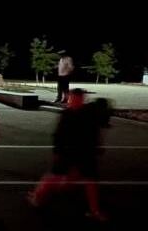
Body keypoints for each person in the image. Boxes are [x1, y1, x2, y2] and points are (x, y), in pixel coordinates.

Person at [29, 89, 108, 221]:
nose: (73, 102)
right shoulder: (67, 115)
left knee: (90, 180)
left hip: (85, 153)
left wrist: (97, 145)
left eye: (77, 99)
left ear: (82, 99)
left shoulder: (88, 113)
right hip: (68, 152)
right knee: (54, 178)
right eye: (72, 99)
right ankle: (37, 196)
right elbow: (59, 135)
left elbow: (94, 131)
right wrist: (57, 151)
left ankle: (94, 210)